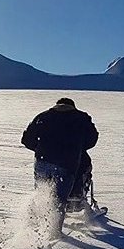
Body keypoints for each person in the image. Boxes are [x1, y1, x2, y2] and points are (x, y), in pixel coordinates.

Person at [21, 97, 98, 234]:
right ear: (72, 106)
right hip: (67, 163)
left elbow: (27, 139)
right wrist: (77, 148)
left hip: (43, 162)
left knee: (42, 194)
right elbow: (92, 138)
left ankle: (34, 225)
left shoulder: (43, 116)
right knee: (59, 199)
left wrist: (41, 150)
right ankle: (54, 233)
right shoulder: (81, 117)